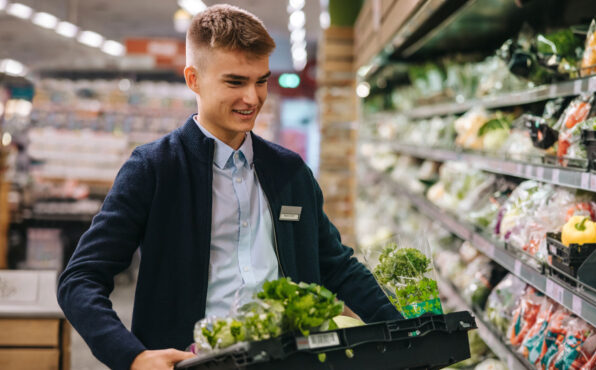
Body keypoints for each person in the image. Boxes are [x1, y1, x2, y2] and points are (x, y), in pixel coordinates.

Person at [57, 4, 401, 370]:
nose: (252, 98)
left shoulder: (290, 171)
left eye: (261, 81)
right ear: (194, 80)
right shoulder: (155, 168)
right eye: (235, 82)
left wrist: (410, 332)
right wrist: (134, 357)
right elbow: (81, 278)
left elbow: (337, 267)